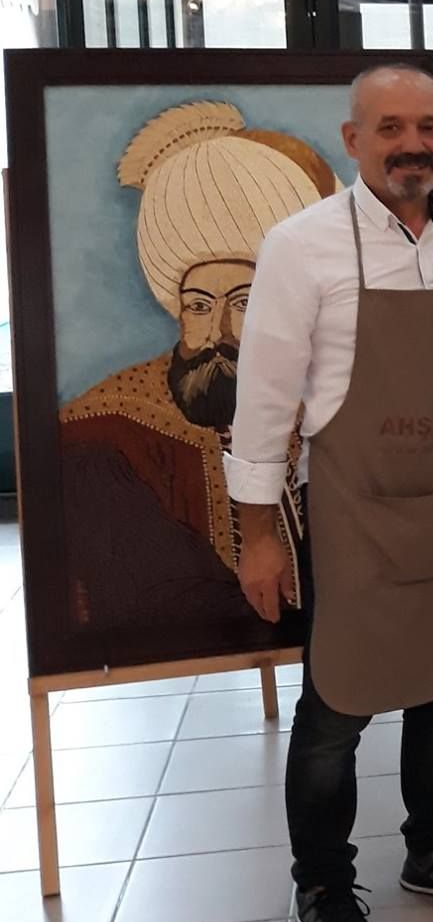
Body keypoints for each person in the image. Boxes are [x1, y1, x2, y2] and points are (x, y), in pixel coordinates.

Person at [228, 64, 433, 922]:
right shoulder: (302, 246)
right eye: (392, 128)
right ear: (353, 139)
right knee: (337, 708)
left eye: (429, 127)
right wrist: (256, 535)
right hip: (357, 512)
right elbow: (265, 399)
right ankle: (324, 884)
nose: (413, 145)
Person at [60, 102, 333, 631]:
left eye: (245, 302)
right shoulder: (105, 433)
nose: (218, 332)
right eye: (200, 306)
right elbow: (155, 596)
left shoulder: (322, 399)